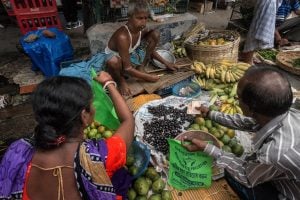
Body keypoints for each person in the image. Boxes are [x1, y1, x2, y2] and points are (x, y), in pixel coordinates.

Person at [0, 72, 134, 199]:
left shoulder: (17, 151)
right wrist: (108, 83)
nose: (94, 108)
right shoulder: (100, 155)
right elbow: (128, 120)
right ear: (84, 115)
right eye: (92, 104)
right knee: (121, 176)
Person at [182, 67, 300, 200]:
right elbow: (249, 122)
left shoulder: (274, 154)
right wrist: (210, 113)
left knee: (231, 173)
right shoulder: (286, 113)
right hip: (286, 173)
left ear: (250, 108)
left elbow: (245, 175)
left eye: (238, 97)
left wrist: (208, 148)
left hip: (291, 194)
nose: (237, 101)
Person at [105, 0, 177, 96]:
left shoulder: (141, 30)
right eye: (139, 18)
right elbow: (128, 68)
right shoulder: (123, 36)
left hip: (128, 56)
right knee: (113, 62)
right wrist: (148, 77)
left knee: (154, 34)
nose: (143, 22)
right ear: (130, 17)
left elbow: (151, 50)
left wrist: (166, 63)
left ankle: (141, 67)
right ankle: (120, 80)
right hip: (116, 63)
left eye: (145, 18)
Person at [242, 0, 283, 64]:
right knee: (256, 31)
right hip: (266, 3)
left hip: (268, 4)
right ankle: (248, 59)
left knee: (256, 30)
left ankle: (250, 57)